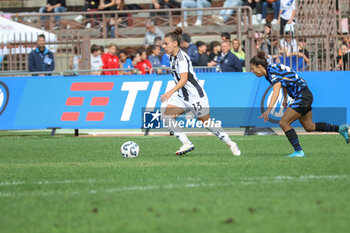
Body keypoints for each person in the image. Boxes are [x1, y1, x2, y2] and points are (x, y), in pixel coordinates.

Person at [250, 51, 349, 157]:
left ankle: (298, 151)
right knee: (309, 126)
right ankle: (340, 128)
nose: (252, 71)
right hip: (305, 95)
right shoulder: (273, 68)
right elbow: (284, 82)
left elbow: (276, 89)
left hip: (302, 96)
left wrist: (269, 109)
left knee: (284, 123)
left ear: (260, 67)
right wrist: (285, 98)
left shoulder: (271, 72)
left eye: (253, 68)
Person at [160, 27, 241, 156]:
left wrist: (169, 92)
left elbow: (184, 79)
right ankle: (186, 143)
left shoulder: (182, 58)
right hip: (182, 96)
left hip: (194, 96)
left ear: (175, 43)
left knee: (207, 123)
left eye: (166, 43)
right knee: (166, 116)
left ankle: (231, 143)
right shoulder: (170, 56)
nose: (163, 46)